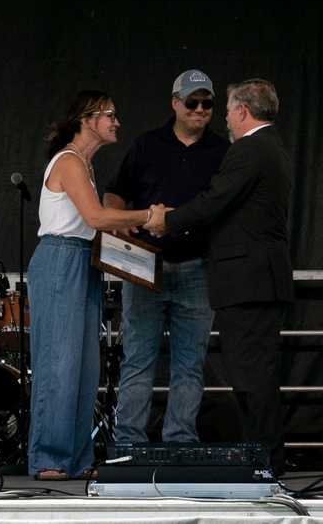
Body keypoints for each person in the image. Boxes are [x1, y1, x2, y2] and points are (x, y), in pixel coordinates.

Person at [146, 78, 292, 471]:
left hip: (250, 281)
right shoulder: (269, 147)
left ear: (242, 110)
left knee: (252, 378)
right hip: (255, 279)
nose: (224, 116)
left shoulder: (250, 149)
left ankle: (267, 464)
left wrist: (167, 220)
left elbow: (214, 201)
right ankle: (262, 459)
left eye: (226, 108)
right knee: (251, 376)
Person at [28, 90, 163, 481]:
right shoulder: (69, 161)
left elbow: (98, 220)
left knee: (85, 366)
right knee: (58, 362)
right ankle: (48, 457)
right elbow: (95, 215)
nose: (116, 122)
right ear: (88, 118)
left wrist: (122, 223)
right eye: (110, 115)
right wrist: (148, 215)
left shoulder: (83, 165)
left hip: (83, 260)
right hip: (59, 261)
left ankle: (75, 455)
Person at [103, 69, 229, 443]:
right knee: (138, 359)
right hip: (145, 263)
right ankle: (128, 443)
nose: (200, 109)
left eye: (207, 103)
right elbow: (115, 193)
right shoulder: (146, 145)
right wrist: (116, 223)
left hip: (198, 266)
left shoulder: (224, 152)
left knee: (190, 363)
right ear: (175, 103)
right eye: (192, 102)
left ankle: (180, 441)